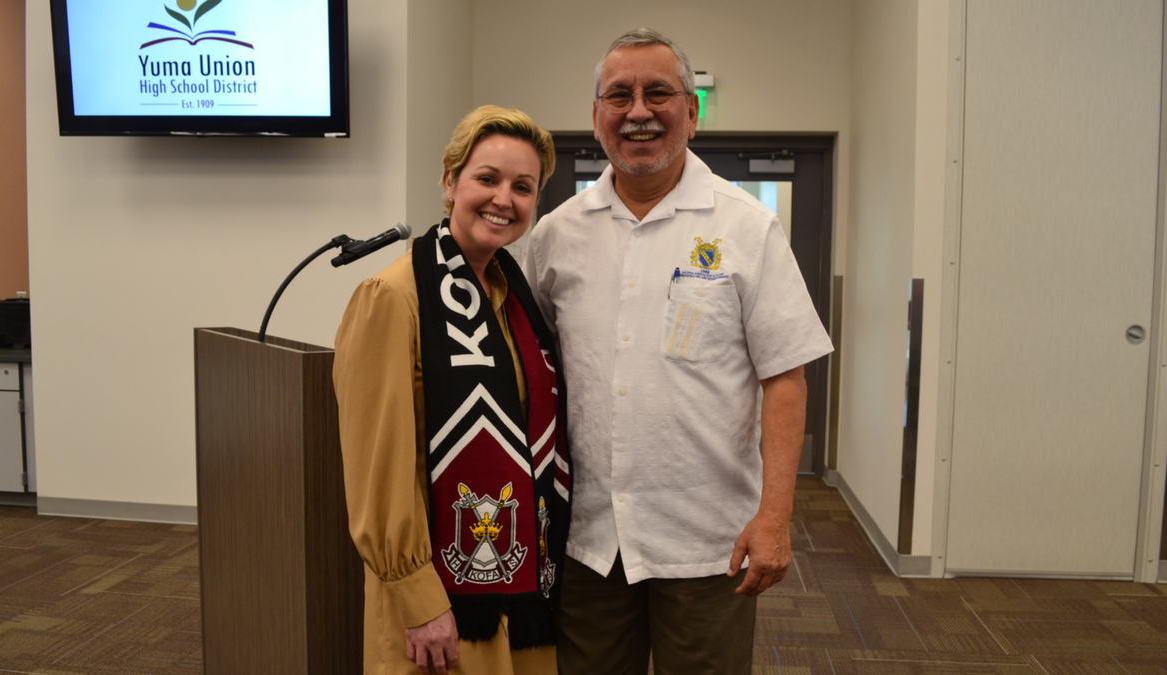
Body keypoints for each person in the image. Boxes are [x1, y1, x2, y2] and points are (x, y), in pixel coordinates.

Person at [521, 29, 834, 675]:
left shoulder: (746, 225)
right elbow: (533, 371)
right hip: (591, 542)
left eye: (658, 93)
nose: (638, 111)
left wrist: (775, 516)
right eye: (620, 95)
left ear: (691, 112)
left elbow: (786, 375)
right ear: (597, 116)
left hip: (707, 543)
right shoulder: (557, 235)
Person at [333, 105, 570, 675]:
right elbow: (377, 466)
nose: (503, 199)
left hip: (518, 589)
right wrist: (418, 598)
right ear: (450, 182)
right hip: (436, 602)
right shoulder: (393, 296)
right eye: (486, 179)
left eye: (523, 187)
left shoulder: (512, 296)